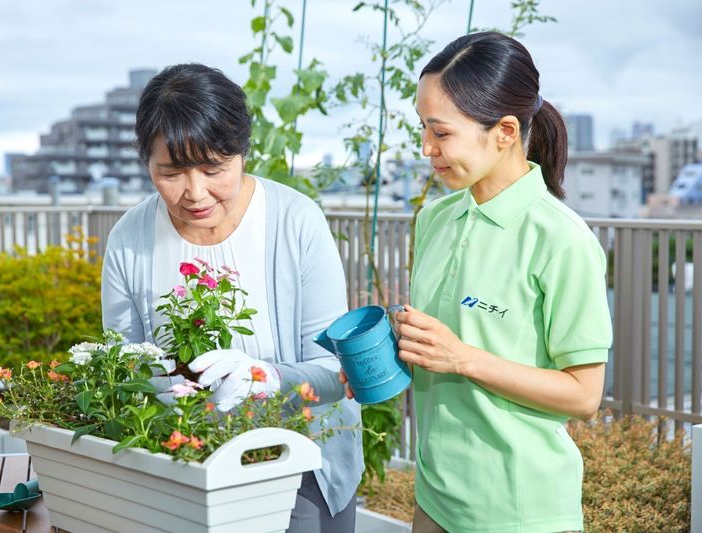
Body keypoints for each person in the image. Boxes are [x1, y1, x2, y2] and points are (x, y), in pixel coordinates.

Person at [341, 31, 612, 532]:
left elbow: (583, 395)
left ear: (505, 130)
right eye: (423, 129)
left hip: (520, 511)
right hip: (435, 500)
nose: (426, 149)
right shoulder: (435, 219)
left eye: (441, 133)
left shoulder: (562, 240)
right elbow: (446, 344)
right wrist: (386, 356)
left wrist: (462, 357)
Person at [101, 63, 362, 533]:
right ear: (147, 163)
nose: (195, 192)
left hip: (297, 463)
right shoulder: (129, 239)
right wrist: (154, 386)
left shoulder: (296, 223)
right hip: (182, 462)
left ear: (243, 152)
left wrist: (263, 377)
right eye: (171, 172)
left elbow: (336, 374)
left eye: (214, 168)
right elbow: (122, 368)